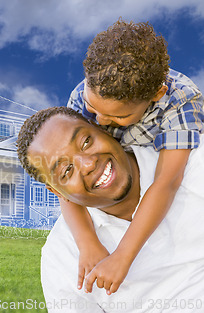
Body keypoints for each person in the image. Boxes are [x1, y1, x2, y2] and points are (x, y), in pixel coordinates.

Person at [63, 19, 204, 294]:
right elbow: (63, 178)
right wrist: (87, 241)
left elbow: (167, 181)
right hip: (114, 177)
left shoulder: (181, 101)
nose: (100, 121)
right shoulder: (83, 94)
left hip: (167, 177)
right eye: (94, 109)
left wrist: (123, 256)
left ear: (156, 94)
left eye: (119, 116)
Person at [16, 107, 204, 312]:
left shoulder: (193, 160)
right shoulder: (62, 257)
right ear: (57, 192)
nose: (87, 164)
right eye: (67, 170)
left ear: (103, 129)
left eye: (86, 142)